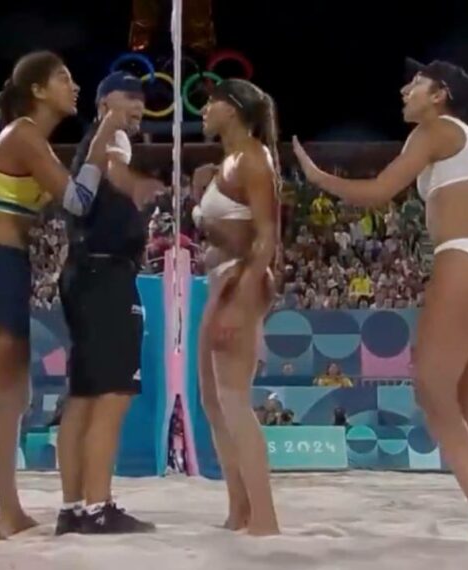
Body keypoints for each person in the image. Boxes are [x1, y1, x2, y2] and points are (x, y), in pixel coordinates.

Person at [292, 58, 468, 547]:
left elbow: (378, 192)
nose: (404, 91)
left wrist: (317, 176)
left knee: (434, 397)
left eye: (414, 85)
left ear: (439, 94)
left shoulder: (435, 129)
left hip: (467, 260)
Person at [0, 50, 126, 541]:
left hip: (8, 266)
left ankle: (9, 510)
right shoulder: (24, 135)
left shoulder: (33, 140)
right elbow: (78, 201)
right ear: (37, 90)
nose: (73, 86)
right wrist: (100, 137)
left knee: (14, 396)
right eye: (64, 78)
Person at [55, 72, 162, 535]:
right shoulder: (112, 135)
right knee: (111, 396)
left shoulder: (94, 141)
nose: (137, 104)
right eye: (127, 97)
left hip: (84, 273)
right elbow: (116, 167)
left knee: (82, 397)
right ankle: (99, 507)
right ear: (102, 104)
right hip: (106, 277)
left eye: (141, 98)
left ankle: (74, 509)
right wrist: (140, 186)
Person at [192, 78, 281, 536]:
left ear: (234, 107)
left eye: (211, 101)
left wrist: (240, 303)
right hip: (222, 279)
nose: (203, 109)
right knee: (213, 401)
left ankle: (263, 517)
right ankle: (239, 508)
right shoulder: (229, 162)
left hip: (238, 282)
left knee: (232, 399)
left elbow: (267, 237)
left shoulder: (252, 157)